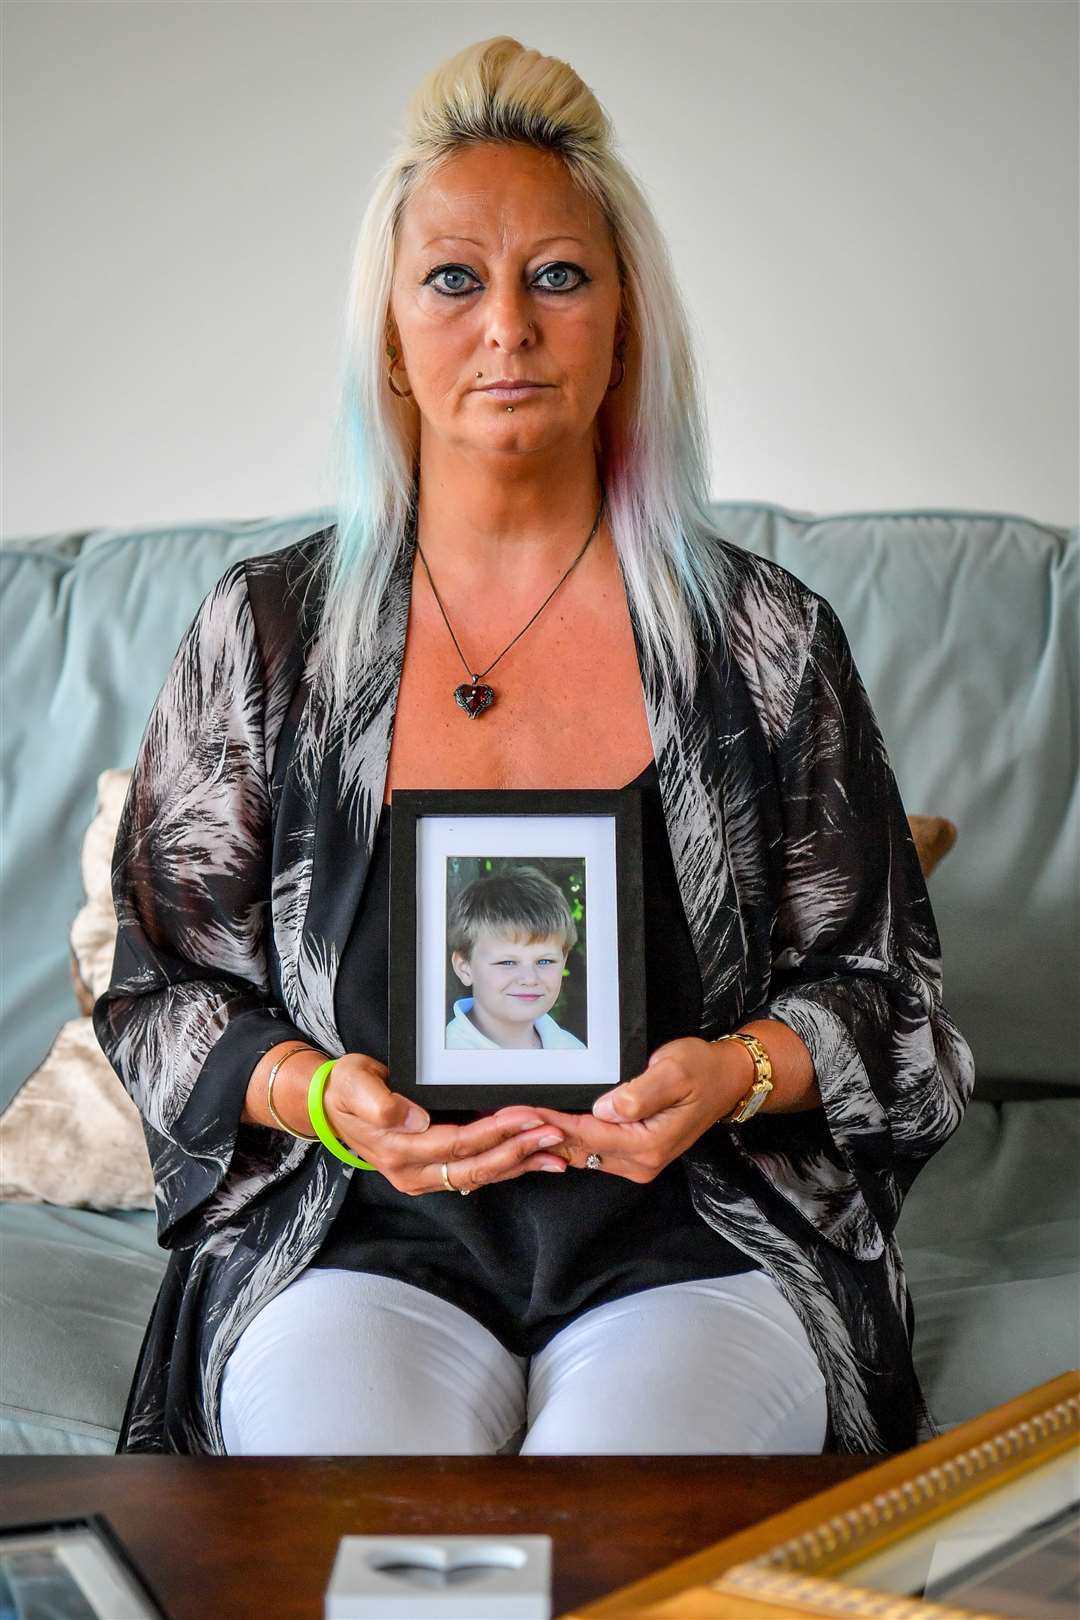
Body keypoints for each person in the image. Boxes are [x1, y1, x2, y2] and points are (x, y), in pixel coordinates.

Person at [93, 35, 974, 1458]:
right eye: (455, 279)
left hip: (696, 1241)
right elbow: (158, 998)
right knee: (378, 1550)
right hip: (358, 1246)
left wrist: (738, 1072)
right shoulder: (265, 634)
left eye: (558, 276)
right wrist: (322, 1099)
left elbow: (900, 1015)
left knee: (618, 1551)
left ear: (625, 320)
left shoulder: (762, 639)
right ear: (389, 329)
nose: (507, 326)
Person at [445, 863, 587, 1050]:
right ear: (465, 967)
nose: (529, 979)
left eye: (545, 961)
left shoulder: (574, 1051)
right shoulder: (444, 1054)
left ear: (564, 961)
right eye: (507, 962)